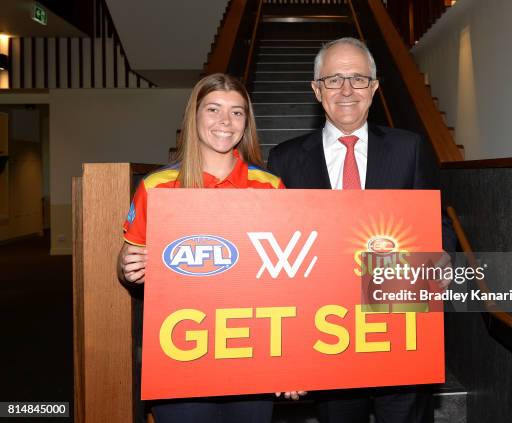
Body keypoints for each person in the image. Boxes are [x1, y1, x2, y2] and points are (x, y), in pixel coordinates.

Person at [267, 37, 456, 423]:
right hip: (328, 332)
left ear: (374, 87)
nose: (347, 90)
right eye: (334, 79)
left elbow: (437, 222)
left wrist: (444, 256)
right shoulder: (284, 158)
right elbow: (276, 249)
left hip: (400, 323)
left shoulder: (410, 148)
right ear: (317, 90)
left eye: (358, 78)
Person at [118, 73, 284, 423]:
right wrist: (127, 265)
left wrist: (289, 358)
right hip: (181, 354)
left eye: (237, 113)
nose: (226, 121)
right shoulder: (158, 187)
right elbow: (129, 260)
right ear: (193, 116)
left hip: (251, 354)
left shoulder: (270, 187)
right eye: (213, 109)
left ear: (247, 122)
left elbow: (286, 280)